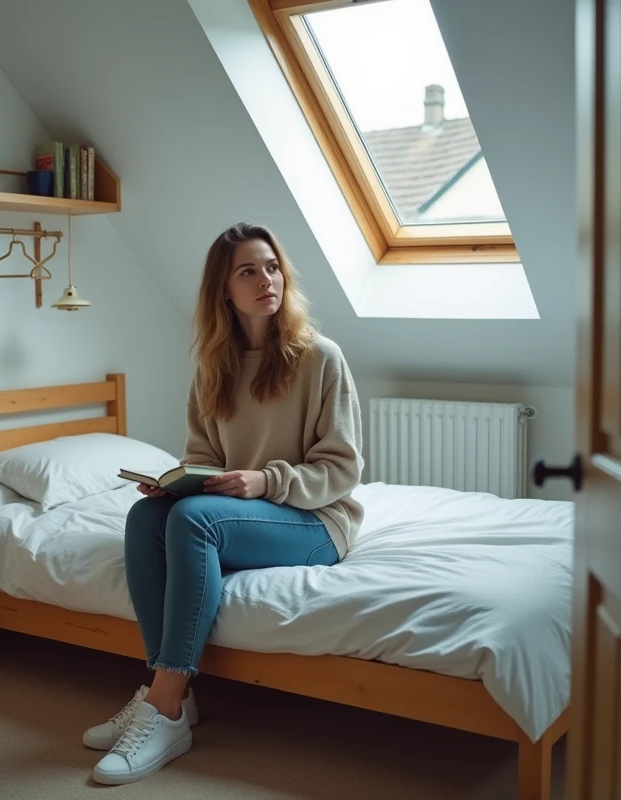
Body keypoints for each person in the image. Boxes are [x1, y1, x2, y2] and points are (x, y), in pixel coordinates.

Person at [86, 222, 365, 785]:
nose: (267, 279)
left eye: (272, 266)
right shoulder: (214, 367)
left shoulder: (320, 358)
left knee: (194, 523)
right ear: (224, 291)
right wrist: (177, 483)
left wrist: (264, 482)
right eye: (248, 271)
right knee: (147, 516)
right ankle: (169, 692)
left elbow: (343, 469)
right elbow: (204, 458)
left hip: (316, 521)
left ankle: (164, 705)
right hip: (244, 514)